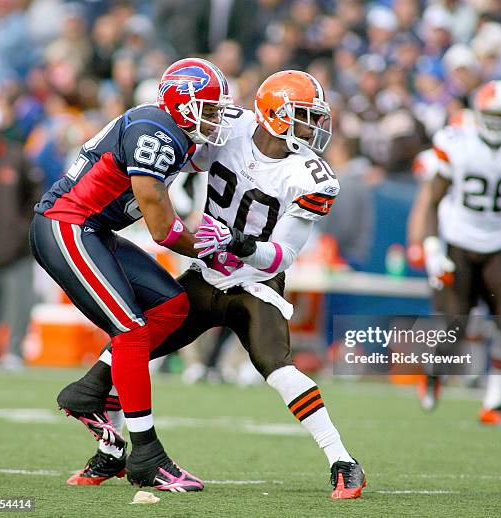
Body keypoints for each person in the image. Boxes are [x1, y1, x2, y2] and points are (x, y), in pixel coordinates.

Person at [58, 70, 366, 499]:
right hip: (207, 271)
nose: (311, 128)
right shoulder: (229, 128)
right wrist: (183, 216)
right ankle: (111, 449)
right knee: (136, 344)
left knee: (277, 368)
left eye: (314, 118)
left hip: (256, 282)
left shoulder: (311, 176)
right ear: (273, 114)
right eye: (302, 116)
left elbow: (283, 255)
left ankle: (342, 460)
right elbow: (174, 167)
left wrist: (236, 242)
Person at [30, 57, 240, 492]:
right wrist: (213, 251)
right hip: (66, 223)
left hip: (94, 229)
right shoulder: (155, 134)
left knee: (172, 305)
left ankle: (93, 395)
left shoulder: (175, 134)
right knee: (130, 331)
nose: (217, 117)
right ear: (184, 106)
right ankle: (147, 455)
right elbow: (163, 230)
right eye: (211, 108)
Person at [419, 80, 501, 426]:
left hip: (497, 245)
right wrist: (433, 248)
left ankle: (493, 404)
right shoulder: (457, 143)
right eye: (491, 114)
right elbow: (433, 200)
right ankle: (434, 376)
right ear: (478, 114)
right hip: (459, 241)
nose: (496, 122)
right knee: (455, 328)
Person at [0, 100, 42, 370]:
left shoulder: (17, 158)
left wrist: (22, 230)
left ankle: (14, 350)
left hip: (18, 248)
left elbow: (34, 198)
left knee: (18, 302)